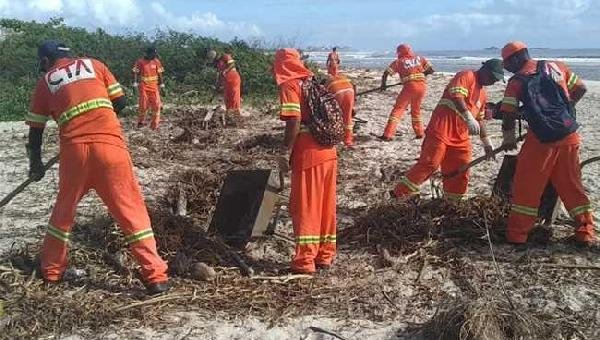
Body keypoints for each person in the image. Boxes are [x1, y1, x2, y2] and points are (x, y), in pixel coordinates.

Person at [25, 40, 170, 294]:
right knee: (131, 211)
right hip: (110, 149)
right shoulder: (95, 65)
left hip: (75, 154)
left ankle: (51, 271)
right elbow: (121, 102)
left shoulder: (46, 81)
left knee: (64, 212)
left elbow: (35, 131)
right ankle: (155, 276)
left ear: (46, 61)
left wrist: (36, 165)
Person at [498, 41, 596, 246]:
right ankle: (585, 231)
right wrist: (564, 112)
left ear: (517, 58)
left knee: (527, 187)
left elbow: (508, 113)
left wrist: (508, 137)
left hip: (541, 141)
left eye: (506, 63)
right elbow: (580, 88)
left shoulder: (516, 82)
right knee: (571, 185)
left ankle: (517, 235)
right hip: (569, 135)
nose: (506, 67)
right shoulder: (556, 66)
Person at [393, 59, 504, 200]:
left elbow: (480, 120)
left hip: (461, 138)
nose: (493, 82)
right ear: (485, 70)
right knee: (430, 163)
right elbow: (457, 96)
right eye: (493, 78)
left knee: (461, 169)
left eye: (496, 80)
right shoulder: (466, 76)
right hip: (441, 129)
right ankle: (399, 193)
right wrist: (468, 117)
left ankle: (452, 202)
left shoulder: (483, 94)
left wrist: (487, 143)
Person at [273, 48, 337, 274]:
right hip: (328, 151)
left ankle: (304, 261)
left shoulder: (290, 84)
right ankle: (325, 255)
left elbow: (294, 120)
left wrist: (284, 151)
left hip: (308, 153)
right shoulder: (312, 82)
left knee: (306, 206)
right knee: (325, 206)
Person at [380, 44, 434, 140]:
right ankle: (420, 133)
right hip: (422, 86)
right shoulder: (419, 58)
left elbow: (386, 73)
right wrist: (419, 75)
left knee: (398, 110)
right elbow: (431, 70)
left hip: (409, 87)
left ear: (400, 52)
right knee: (416, 110)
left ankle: (388, 134)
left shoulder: (399, 62)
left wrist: (383, 85)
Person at [132, 46, 164, 130]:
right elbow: (135, 72)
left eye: (155, 54)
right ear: (148, 53)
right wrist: (135, 83)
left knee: (157, 105)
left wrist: (162, 84)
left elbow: (160, 74)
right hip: (144, 86)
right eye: (153, 54)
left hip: (154, 87)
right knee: (143, 105)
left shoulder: (156, 61)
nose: (154, 55)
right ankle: (141, 122)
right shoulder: (140, 62)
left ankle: (154, 125)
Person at [207, 49, 242, 115]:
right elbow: (220, 75)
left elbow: (232, 64)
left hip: (233, 78)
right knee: (227, 97)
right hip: (226, 81)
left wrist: (226, 70)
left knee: (234, 96)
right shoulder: (217, 64)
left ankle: (236, 112)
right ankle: (229, 112)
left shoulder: (225, 56)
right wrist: (217, 86)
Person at [325, 73, 356, 147]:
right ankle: (348, 140)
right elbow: (354, 85)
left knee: (335, 116)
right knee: (348, 117)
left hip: (338, 93)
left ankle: (336, 137)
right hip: (350, 90)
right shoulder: (342, 76)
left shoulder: (326, 83)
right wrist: (353, 105)